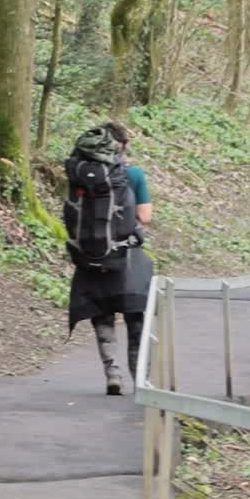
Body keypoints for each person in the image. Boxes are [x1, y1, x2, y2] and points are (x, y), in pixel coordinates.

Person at [65, 122, 154, 395]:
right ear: (123, 146)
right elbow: (145, 217)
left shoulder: (78, 173)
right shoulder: (133, 174)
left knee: (101, 315)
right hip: (126, 256)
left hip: (89, 255)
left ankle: (112, 374)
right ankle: (139, 377)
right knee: (135, 317)